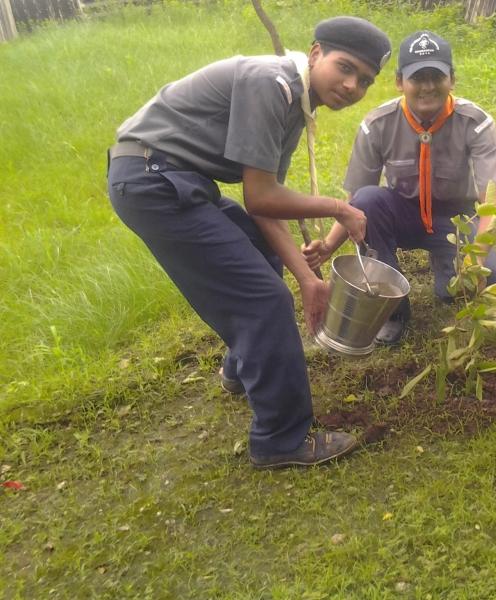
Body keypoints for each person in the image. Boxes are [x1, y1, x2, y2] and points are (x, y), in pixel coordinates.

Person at [106, 17, 392, 469]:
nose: (353, 85)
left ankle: (240, 368)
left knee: (259, 254)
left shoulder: (295, 101)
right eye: (345, 67)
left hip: (174, 178)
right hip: (152, 181)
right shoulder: (270, 84)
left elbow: (263, 207)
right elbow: (262, 195)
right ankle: (280, 440)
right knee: (264, 300)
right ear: (316, 53)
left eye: (366, 81)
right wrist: (339, 208)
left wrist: (309, 280)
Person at [302, 30, 496, 345]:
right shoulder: (377, 124)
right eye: (417, 77)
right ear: (399, 82)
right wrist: (328, 245)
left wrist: (476, 259)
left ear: (452, 79)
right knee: (370, 200)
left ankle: (447, 265)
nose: (427, 86)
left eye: (436, 76)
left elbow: (492, 200)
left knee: (468, 290)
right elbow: (354, 203)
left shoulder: (476, 123)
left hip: (456, 221)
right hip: (403, 214)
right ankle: (392, 310)